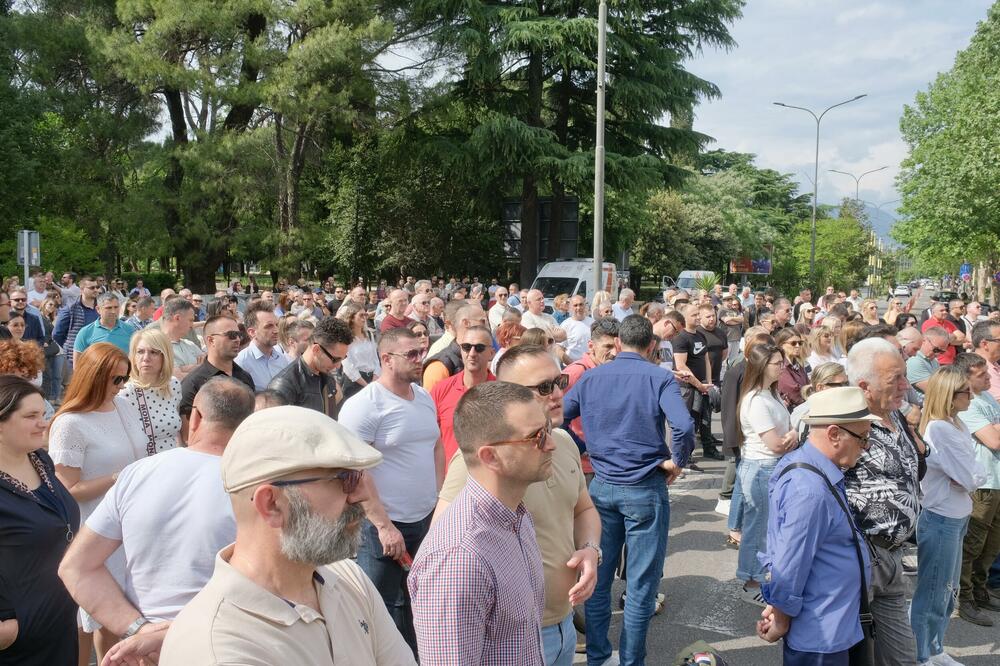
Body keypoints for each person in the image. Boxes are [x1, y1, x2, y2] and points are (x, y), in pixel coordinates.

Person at [157, 405, 415, 664]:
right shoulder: (218, 648)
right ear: (271, 504)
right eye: (345, 479)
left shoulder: (348, 579)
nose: (362, 495)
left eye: (359, 477)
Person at [58, 378, 255, 666]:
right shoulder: (259, 488)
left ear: (196, 417)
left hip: (143, 651)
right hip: (222, 647)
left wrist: (138, 628)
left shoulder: (138, 474)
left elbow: (75, 567)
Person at [436, 345, 600, 666]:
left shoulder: (563, 442)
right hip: (512, 636)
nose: (556, 394)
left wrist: (591, 549)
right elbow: (444, 545)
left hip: (564, 625)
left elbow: (584, 510)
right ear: (509, 395)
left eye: (559, 382)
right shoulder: (484, 460)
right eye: (543, 387)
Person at [562, 315, 694, 666]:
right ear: (652, 346)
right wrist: (676, 461)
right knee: (640, 586)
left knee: (599, 580)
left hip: (603, 485)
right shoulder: (659, 377)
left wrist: (580, 444)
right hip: (645, 486)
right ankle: (631, 661)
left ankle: (598, 656)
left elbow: (558, 415)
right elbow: (682, 425)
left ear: (617, 344)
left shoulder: (591, 377)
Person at [409, 382, 550, 665]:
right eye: (536, 437)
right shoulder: (458, 558)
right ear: (490, 456)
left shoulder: (516, 518)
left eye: (546, 430)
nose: (551, 444)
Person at [338, 327, 443, 654]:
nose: (420, 359)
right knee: (377, 608)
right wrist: (384, 526)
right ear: (386, 359)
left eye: (420, 351)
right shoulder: (365, 406)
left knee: (419, 601)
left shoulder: (423, 396)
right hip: (382, 526)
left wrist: (439, 499)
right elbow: (354, 470)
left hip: (425, 518)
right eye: (411, 354)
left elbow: (436, 446)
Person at [756, 386, 877, 664]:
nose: (867, 446)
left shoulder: (815, 469)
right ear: (834, 434)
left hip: (833, 623)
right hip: (822, 633)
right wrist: (781, 620)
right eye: (863, 437)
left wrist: (778, 608)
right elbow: (790, 566)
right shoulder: (809, 489)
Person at [48, 342, 149, 664]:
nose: (121, 386)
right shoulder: (70, 424)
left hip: (130, 523)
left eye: (124, 378)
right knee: (100, 616)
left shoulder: (123, 406)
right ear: (94, 377)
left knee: (118, 613)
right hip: (94, 526)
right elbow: (67, 488)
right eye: (115, 380)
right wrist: (119, 478)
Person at [843, 337, 921, 666]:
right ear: (865, 385)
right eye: (895, 379)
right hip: (860, 558)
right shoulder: (845, 425)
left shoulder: (895, 415)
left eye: (904, 375)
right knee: (850, 654)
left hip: (892, 557)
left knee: (903, 657)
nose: (905, 385)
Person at [0, 377, 81, 665]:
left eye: (43, 415)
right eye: (31, 416)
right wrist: (8, 625)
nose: (43, 423)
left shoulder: (40, 460)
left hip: (59, 623)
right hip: (18, 641)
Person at [910, 366, 986, 661]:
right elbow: (969, 478)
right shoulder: (939, 428)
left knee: (947, 590)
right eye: (966, 391)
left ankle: (935, 646)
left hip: (956, 515)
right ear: (950, 396)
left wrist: (968, 476)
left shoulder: (957, 424)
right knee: (933, 592)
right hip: (941, 518)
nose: (971, 395)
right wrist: (968, 476)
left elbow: (972, 472)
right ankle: (921, 654)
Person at [736, 343, 797, 607]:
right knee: (758, 528)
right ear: (762, 366)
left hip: (771, 466)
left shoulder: (770, 394)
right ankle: (751, 582)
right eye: (776, 363)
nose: (782, 367)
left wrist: (790, 436)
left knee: (767, 527)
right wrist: (794, 436)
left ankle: (760, 575)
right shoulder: (756, 400)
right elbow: (775, 444)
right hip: (762, 467)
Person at [953, 349, 1000, 627]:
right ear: (966, 378)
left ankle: (981, 590)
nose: (988, 378)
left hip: (996, 480)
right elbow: (993, 441)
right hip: (982, 484)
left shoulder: (986, 400)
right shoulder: (969, 405)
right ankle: (965, 597)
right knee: (973, 543)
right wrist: (994, 429)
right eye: (981, 375)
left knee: (992, 544)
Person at [179, 316, 255, 440]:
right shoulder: (193, 384)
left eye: (238, 334)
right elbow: (188, 437)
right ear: (211, 340)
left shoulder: (244, 377)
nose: (237, 339)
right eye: (231, 335)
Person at [430, 325, 495, 466]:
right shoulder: (441, 389)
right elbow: (429, 438)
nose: (472, 353)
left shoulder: (502, 392)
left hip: (487, 478)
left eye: (479, 348)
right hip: (449, 480)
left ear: (491, 353)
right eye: (466, 347)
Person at [117, 328, 183, 456]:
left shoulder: (173, 385)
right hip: (144, 465)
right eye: (140, 352)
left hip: (172, 462)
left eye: (153, 352)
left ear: (165, 356)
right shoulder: (125, 392)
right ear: (133, 356)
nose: (146, 358)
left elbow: (175, 432)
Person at [268, 316, 352, 416]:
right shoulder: (284, 385)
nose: (338, 366)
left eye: (343, 358)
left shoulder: (327, 377)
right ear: (316, 350)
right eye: (335, 359)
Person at [673, 304, 722, 460]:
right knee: (690, 421)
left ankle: (709, 448)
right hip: (687, 388)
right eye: (694, 315)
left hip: (703, 385)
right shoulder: (680, 337)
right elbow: (681, 366)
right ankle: (685, 456)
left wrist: (708, 383)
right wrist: (698, 384)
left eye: (698, 314)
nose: (698, 317)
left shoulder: (700, 336)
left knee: (705, 419)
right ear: (684, 317)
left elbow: (706, 359)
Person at [422, 302, 487, 392]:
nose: (486, 326)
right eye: (482, 321)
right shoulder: (439, 367)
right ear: (466, 323)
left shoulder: (484, 354)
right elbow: (430, 403)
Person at [233, 301, 290, 391]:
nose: (276, 330)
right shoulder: (241, 363)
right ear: (252, 332)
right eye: (269, 326)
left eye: (276, 325)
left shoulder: (281, 358)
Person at [53, 275, 100, 375]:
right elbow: (57, 334)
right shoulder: (70, 308)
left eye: (97, 287)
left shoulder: (102, 307)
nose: (96, 290)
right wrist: (71, 347)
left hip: (97, 357)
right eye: (92, 288)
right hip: (74, 358)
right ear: (82, 289)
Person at [337, 303, 381, 401]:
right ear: (352, 317)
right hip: (354, 382)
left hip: (372, 379)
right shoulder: (345, 337)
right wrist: (366, 385)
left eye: (365, 315)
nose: (364, 318)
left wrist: (375, 379)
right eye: (361, 315)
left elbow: (376, 358)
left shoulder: (369, 334)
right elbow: (347, 365)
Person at [158, 297, 201, 379]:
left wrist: (183, 369)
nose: (192, 325)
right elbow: (177, 379)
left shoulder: (190, 344)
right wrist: (199, 367)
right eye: (191, 320)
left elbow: (210, 367)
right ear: (177, 318)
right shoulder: (157, 346)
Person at [907, 326, 949, 393]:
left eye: (942, 351)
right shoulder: (914, 360)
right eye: (936, 349)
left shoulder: (934, 361)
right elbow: (936, 390)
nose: (937, 354)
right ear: (924, 340)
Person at [922, 302, 965, 366]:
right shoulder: (929, 323)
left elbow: (962, 338)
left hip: (951, 361)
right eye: (941, 310)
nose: (945, 312)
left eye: (946, 310)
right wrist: (953, 337)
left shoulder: (948, 323)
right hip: (938, 362)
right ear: (933, 312)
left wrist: (947, 341)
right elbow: (936, 342)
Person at [775, 328, 809, 408]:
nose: (798, 346)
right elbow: (794, 394)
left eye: (800, 343)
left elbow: (808, 384)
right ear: (781, 345)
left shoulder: (797, 364)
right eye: (793, 343)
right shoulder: (781, 366)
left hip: (804, 406)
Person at [561, 294, 594, 362]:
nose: (578, 308)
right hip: (573, 366)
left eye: (581, 304)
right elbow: (559, 348)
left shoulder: (593, 323)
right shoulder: (565, 325)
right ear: (570, 307)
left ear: (584, 305)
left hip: (591, 365)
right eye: (575, 305)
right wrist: (570, 364)